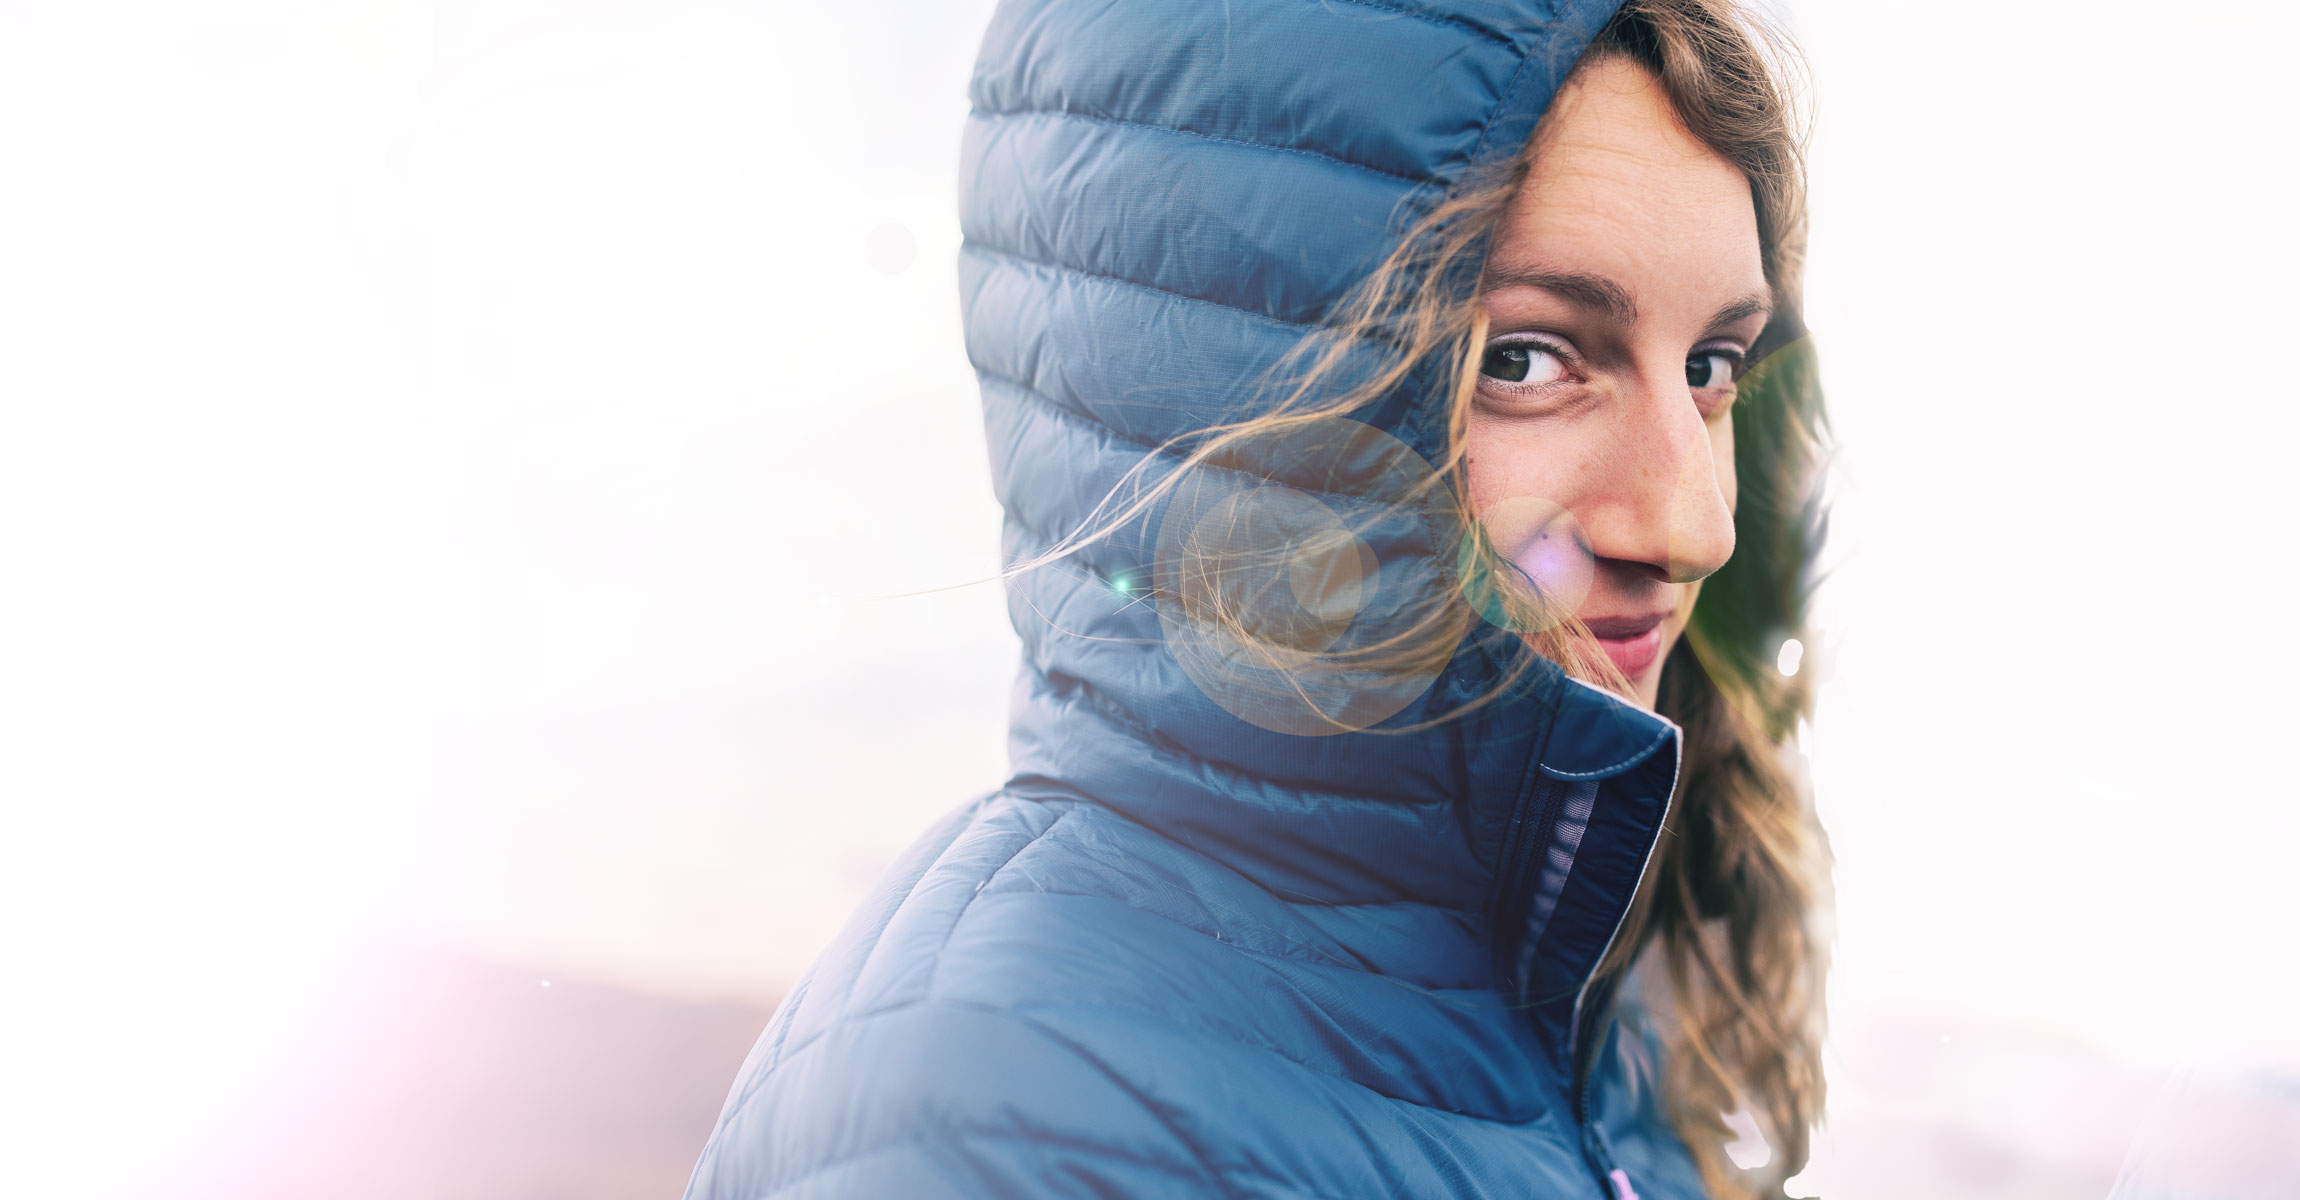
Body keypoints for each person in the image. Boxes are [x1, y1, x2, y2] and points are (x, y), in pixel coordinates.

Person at [686, 0, 1829, 1196]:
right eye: (1521, 359)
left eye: (1709, 367)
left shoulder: (1608, 998)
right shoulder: (1007, 1128)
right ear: (1196, 403)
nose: (1693, 526)